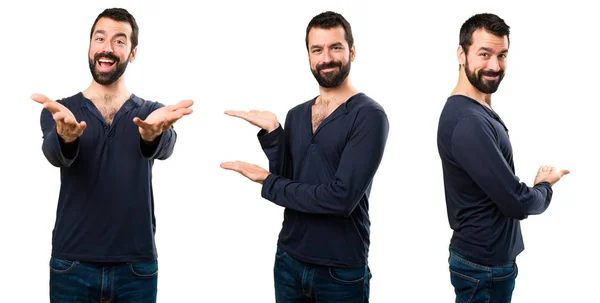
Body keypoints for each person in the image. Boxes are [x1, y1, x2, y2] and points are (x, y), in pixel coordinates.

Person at [220, 11, 389, 303]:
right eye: (317, 50)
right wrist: (274, 132)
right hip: (288, 261)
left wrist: (268, 182)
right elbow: (289, 183)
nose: (327, 58)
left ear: (352, 51)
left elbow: (341, 199)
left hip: (340, 271)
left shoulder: (369, 116)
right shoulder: (297, 115)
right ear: (309, 56)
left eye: (335, 47)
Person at [32, 8, 193, 302]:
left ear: (132, 53)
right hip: (72, 265)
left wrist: (153, 135)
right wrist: (65, 138)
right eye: (100, 38)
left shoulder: (150, 113)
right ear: (90, 46)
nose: (107, 47)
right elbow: (54, 154)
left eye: (120, 41)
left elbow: (167, 146)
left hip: (136, 269)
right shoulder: (60, 112)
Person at [436, 13, 569, 302]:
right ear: (462, 54)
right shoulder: (467, 122)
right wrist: (544, 187)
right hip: (483, 268)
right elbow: (516, 201)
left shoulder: (475, 112)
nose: (494, 66)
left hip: (487, 264)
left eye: (502, 55)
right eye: (484, 54)